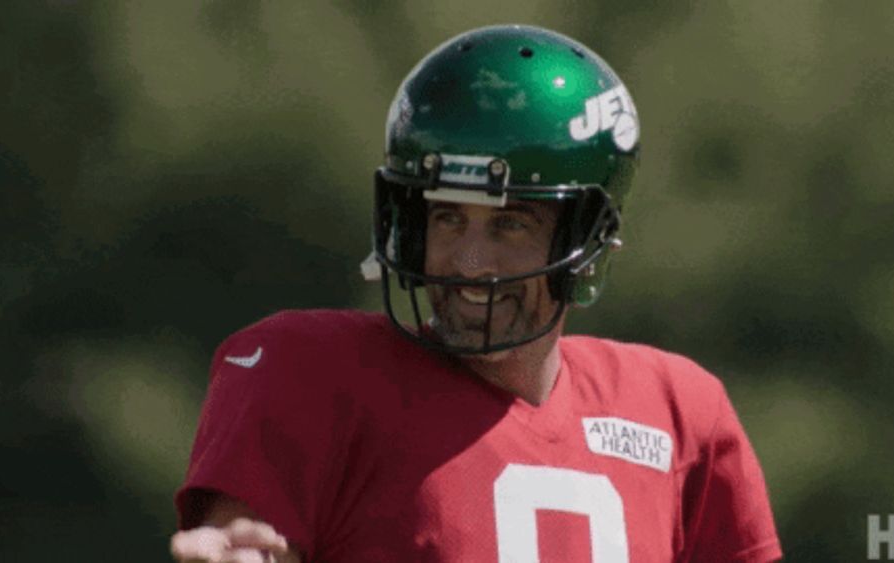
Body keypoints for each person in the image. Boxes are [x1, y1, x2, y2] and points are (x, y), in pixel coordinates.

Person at [170, 24, 782, 563]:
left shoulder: (679, 413)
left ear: (588, 239)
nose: (469, 261)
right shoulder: (313, 373)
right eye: (447, 218)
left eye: (510, 225)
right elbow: (247, 547)